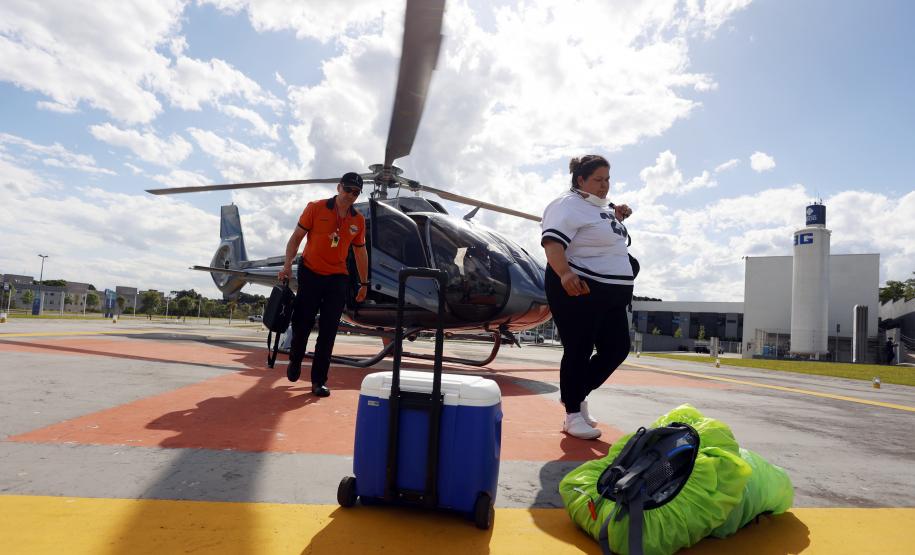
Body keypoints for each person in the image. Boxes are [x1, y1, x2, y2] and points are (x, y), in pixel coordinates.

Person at [541, 155, 636, 440]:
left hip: (611, 293)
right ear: (580, 180)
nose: (605, 185)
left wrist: (617, 215)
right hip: (580, 287)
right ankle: (572, 414)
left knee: (617, 348)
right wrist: (565, 274)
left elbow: (601, 233)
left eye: (607, 179)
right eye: (598, 179)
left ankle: (575, 393)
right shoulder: (566, 205)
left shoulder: (600, 206)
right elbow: (552, 242)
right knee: (579, 350)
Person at [278, 172, 370, 397]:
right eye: (348, 190)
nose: (351, 195)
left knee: (328, 332)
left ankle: (318, 381)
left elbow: (360, 252)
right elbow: (296, 237)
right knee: (302, 325)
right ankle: (295, 359)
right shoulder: (315, 208)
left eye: (356, 193)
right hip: (310, 273)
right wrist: (287, 265)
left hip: (337, 278)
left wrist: (365, 283)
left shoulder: (357, 221)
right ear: (339, 187)